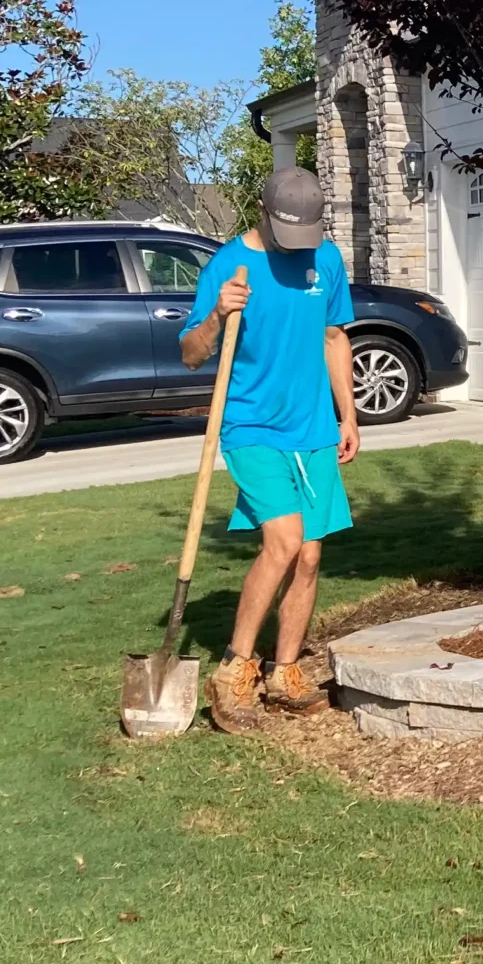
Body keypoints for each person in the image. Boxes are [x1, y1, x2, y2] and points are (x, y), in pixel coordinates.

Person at [181, 164, 361, 730]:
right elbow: (191, 353)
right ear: (263, 212)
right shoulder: (229, 266)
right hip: (251, 427)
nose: (297, 245)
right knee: (283, 542)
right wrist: (217, 315)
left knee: (309, 555)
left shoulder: (325, 259)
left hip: (314, 430)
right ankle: (234, 670)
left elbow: (334, 336)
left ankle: (284, 672)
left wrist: (348, 414)